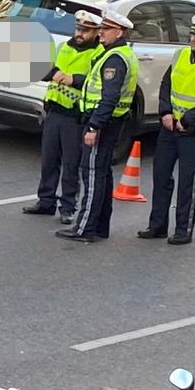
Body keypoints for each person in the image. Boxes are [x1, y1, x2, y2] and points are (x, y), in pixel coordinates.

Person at [140, 16, 195, 244]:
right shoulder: (180, 55)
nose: (193, 39)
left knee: (187, 183)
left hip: (193, 132)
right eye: (192, 34)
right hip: (169, 128)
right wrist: (165, 112)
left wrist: (189, 119)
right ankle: (157, 226)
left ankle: (183, 230)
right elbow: (166, 85)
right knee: (161, 176)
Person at [25, 9, 103, 218]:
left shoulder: (98, 54)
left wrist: (73, 79)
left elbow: (97, 82)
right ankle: (46, 201)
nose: (80, 33)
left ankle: (68, 207)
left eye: (85, 30)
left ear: (97, 32)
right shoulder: (64, 47)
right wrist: (54, 73)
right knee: (49, 161)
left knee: (71, 164)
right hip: (54, 111)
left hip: (74, 116)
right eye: (78, 29)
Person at [68, 15, 140, 241]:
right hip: (110, 121)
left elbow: (109, 97)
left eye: (107, 29)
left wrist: (94, 127)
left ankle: (85, 229)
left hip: (102, 123)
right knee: (102, 174)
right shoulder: (117, 53)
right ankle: (100, 227)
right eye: (102, 28)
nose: (101, 32)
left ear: (119, 32)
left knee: (92, 175)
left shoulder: (115, 58)